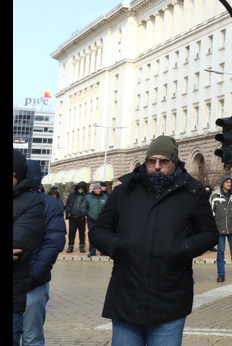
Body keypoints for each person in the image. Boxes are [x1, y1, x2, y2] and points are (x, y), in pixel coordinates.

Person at [89, 135, 218, 345]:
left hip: (171, 296)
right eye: (151, 161)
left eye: (164, 161)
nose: (156, 166)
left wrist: (182, 248)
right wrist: (118, 246)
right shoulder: (124, 191)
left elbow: (209, 233)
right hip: (126, 294)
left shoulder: (193, 194)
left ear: (174, 162)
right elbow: (99, 230)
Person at [22, 154, 66, 346]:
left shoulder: (49, 204)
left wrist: (32, 277)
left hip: (34, 282)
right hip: (29, 279)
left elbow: (53, 243)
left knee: (32, 336)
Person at [14, 150, 46, 346]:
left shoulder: (32, 203)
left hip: (17, 288)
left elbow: (18, 245)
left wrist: (39, 272)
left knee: (31, 337)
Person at [82, 183, 107, 257]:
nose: (99, 190)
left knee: (102, 236)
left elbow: (108, 207)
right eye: (97, 189)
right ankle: (92, 251)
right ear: (94, 189)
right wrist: (88, 213)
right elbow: (83, 207)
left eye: (99, 189)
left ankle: (103, 251)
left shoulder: (105, 197)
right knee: (92, 236)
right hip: (91, 220)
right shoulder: (88, 197)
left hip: (102, 220)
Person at [64, 181, 88, 253]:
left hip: (81, 217)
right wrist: (68, 212)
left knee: (82, 233)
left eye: (82, 189)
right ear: (77, 188)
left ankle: (81, 246)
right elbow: (67, 204)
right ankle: (70, 246)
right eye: (79, 189)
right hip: (72, 217)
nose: (80, 190)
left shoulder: (86, 196)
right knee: (71, 232)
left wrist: (85, 213)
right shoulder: (72, 195)